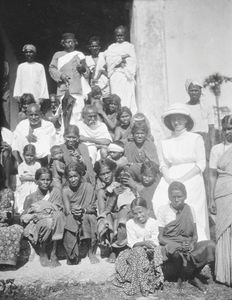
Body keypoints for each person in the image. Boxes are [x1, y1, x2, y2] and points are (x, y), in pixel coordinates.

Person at [152, 103, 210, 242]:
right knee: (159, 199)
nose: (176, 122)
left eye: (180, 119)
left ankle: (197, 240)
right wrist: (169, 179)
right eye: (173, 119)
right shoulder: (164, 141)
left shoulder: (195, 138)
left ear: (186, 120)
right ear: (169, 122)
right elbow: (163, 164)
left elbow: (201, 164)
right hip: (170, 177)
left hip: (192, 176)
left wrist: (182, 179)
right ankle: (170, 237)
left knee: (190, 205)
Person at [157, 182, 215, 291]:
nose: (176, 199)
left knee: (210, 245)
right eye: (173, 197)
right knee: (173, 250)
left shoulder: (190, 209)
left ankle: (186, 273)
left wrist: (192, 244)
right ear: (169, 196)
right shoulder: (163, 210)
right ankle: (191, 276)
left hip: (188, 245)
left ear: (185, 196)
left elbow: (195, 236)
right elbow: (161, 237)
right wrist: (177, 245)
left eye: (179, 196)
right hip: (172, 246)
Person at [113, 197, 164, 296]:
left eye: (140, 212)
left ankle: (156, 280)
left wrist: (149, 246)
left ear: (147, 210)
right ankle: (143, 285)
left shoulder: (153, 222)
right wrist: (143, 243)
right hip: (135, 251)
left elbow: (155, 240)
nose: (139, 216)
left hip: (151, 250)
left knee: (157, 251)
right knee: (139, 252)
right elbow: (132, 243)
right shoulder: (130, 223)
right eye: (135, 214)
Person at [21, 167, 65, 267]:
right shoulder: (31, 198)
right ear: (36, 181)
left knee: (58, 216)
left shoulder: (55, 193)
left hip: (54, 224)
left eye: (48, 180)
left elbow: (59, 209)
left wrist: (47, 213)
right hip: (37, 225)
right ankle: (43, 252)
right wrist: (37, 215)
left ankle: (53, 254)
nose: (45, 182)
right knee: (48, 222)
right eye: (42, 180)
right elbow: (24, 216)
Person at [209, 115, 232, 286]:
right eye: (226, 129)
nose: (228, 132)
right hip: (223, 190)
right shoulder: (217, 149)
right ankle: (225, 274)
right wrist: (211, 198)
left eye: (231, 128)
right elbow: (211, 175)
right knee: (224, 229)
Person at [49, 32, 90, 125]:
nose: (70, 44)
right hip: (64, 89)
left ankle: (77, 136)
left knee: (78, 114)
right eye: (67, 42)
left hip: (77, 89)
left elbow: (86, 72)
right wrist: (61, 76)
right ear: (63, 43)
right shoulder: (58, 55)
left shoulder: (79, 55)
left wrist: (82, 68)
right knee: (66, 114)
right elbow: (52, 68)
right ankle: (66, 135)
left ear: (75, 42)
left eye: (72, 42)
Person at [62, 162, 98, 265]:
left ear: (80, 175)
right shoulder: (65, 191)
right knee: (69, 220)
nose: (73, 179)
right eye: (70, 177)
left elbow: (90, 207)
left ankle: (91, 252)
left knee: (90, 218)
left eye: (75, 176)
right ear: (67, 178)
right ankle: (72, 253)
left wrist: (82, 210)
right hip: (73, 214)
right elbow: (67, 210)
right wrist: (73, 211)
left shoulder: (88, 187)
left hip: (86, 212)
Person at [105, 26, 137, 114]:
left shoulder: (129, 46)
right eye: (117, 35)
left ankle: (126, 115)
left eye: (121, 35)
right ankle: (117, 116)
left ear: (125, 35)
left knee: (126, 98)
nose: (119, 37)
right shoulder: (111, 47)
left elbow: (132, 59)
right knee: (116, 97)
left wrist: (117, 59)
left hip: (125, 75)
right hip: (115, 75)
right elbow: (109, 60)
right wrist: (121, 57)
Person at [94, 158, 118, 261]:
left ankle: (115, 250)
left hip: (122, 211)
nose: (106, 176)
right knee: (106, 219)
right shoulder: (100, 189)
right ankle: (111, 247)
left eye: (108, 172)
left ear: (112, 171)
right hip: (108, 214)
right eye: (102, 174)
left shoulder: (119, 181)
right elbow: (103, 210)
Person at [0, 169, 24, 267]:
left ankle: (5, 262)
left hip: (3, 224)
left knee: (16, 230)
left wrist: (5, 216)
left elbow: (10, 213)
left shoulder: (8, 192)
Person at [15, 144, 41, 214]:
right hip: (25, 184)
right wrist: (32, 178)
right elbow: (22, 178)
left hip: (35, 184)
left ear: (34, 155)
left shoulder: (37, 164)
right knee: (24, 192)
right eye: (27, 155)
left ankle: (35, 210)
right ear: (23, 155)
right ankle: (22, 210)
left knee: (35, 191)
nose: (29, 157)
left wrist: (29, 177)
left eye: (31, 155)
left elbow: (38, 176)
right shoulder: (21, 166)